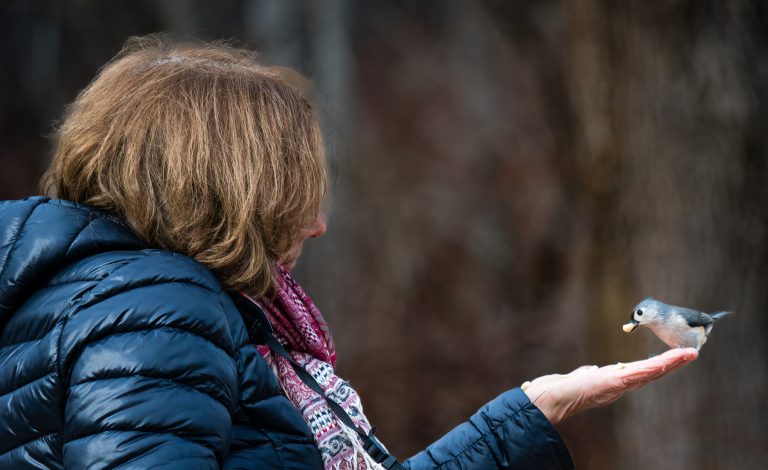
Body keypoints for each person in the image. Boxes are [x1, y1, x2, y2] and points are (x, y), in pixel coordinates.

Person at [0, 36, 697, 470]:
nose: (319, 224)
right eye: (292, 194)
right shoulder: (157, 316)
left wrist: (526, 415)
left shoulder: (109, 300)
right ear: (223, 194)